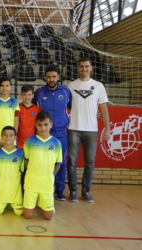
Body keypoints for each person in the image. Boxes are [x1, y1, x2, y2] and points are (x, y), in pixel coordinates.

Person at [67, 58, 110, 203]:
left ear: (91, 68)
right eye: (81, 66)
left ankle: (86, 191)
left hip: (91, 130)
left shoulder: (98, 86)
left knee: (89, 162)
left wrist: (107, 129)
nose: (84, 69)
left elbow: (103, 109)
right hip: (73, 128)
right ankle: (73, 190)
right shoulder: (71, 86)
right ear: (77, 68)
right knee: (71, 161)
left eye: (86, 66)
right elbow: (64, 105)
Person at [32, 65, 71, 201]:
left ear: (58, 77)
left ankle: (59, 189)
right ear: (45, 77)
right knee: (43, 161)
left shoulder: (66, 91)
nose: (51, 79)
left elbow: (73, 108)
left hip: (61, 133)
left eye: (54, 76)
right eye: (48, 77)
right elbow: (31, 108)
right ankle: (45, 187)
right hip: (44, 133)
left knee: (60, 162)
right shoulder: (39, 93)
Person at [23, 111, 62, 220]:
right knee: (27, 216)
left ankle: (44, 204)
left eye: (46, 124)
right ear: (36, 125)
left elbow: (58, 164)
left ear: (51, 125)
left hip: (47, 184)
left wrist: (50, 175)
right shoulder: (29, 141)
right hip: (31, 183)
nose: (43, 128)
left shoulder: (57, 143)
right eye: (40, 125)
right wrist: (32, 172)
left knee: (48, 217)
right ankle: (37, 202)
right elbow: (26, 161)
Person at [0, 126, 24, 216]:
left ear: (15, 137)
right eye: (5, 135)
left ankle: (17, 200)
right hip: (1, 191)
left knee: (19, 213)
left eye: (11, 135)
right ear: (1, 136)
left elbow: (22, 171)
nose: (8, 138)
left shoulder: (21, 153)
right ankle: (0, 201)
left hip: (16, 191)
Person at [0, 77, 19, 150]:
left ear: (10, 87)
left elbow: (16, 122)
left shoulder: (15, 103)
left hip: (10, 139)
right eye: (2, 85)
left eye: (7, 85)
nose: (4, 88)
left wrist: (12, 137)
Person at [16, 84, 41, 150]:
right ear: (21, 95)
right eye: (25, 94)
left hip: (32, 143)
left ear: (33, 95)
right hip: (19, 143)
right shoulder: (17, 107)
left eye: (29, 94)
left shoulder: (37, 109)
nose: (27, 97)